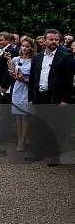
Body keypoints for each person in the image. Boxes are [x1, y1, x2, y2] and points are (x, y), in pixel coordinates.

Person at [27, 29, 73, 163]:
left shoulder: (65, 57)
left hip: (55, 98)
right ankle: (39, 153)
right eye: (51, 39)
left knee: (55, 127)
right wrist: (31, 97)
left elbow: (68, 81)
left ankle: (54, 156)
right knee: (39, 126)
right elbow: (32, 79)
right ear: (45, 40)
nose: (54, 42)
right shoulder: (37, 57)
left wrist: (66, 99)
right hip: (40, 96)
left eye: (56, 40)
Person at [8, 36, 35, 152]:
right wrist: (8, 60)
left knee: (25, 116)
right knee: (18, 116)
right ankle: (20, 138)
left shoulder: (34, 60)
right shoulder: (16, 59)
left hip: (28, 88)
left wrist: (23, 80)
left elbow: (34, 78)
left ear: (31, 48)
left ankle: (23, 141)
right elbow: (12, 72)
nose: (24, 48)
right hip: (17, 89)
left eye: (27, 46)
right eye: (23, 46)